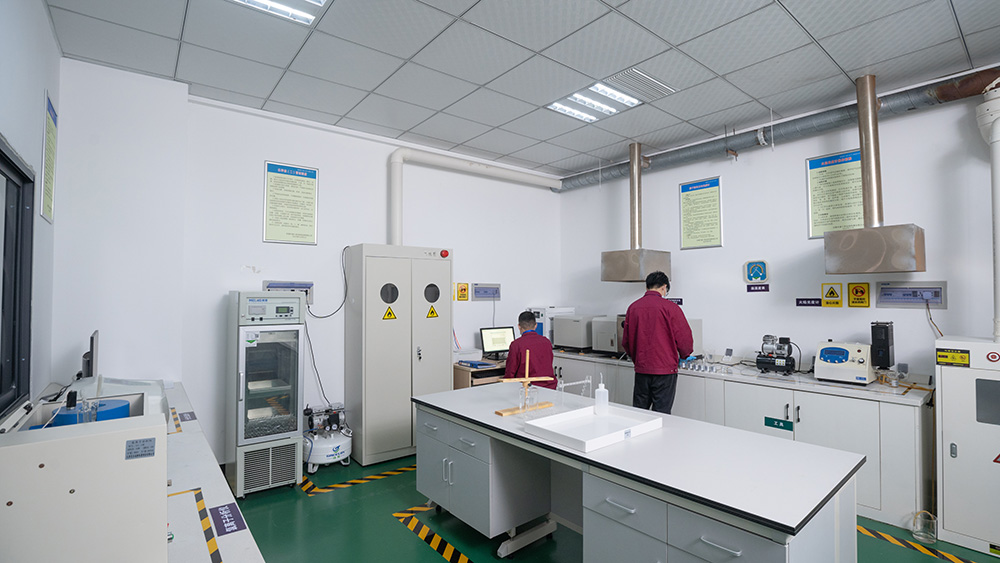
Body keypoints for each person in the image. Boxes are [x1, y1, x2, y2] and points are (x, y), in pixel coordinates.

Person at [621, 271, 694, 414]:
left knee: (639, 413)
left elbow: (626, 341)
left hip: (642, 370)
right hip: (665, 371)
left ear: (647, 287)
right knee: (662, 414)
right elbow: (684, 339)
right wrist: (685, 355)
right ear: (664, 287)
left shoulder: (633, 307)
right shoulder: (671, 308)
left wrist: (637, 360)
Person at [504, 311, 557, 390]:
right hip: (549, 387)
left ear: (519, 326)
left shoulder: (516, 344)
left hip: (528, 388)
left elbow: (510, 373)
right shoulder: (546, 341)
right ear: (535, 325)